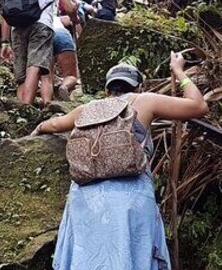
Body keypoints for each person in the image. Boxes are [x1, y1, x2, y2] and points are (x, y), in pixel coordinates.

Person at [32, 52, 209, 269]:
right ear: (138, 87)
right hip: (130, 199)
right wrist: (179, 71)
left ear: (107, 90)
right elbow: (199, 106)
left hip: (86, 200)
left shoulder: (86, 110)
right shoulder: (145, 101)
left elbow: (54, 125)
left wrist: (38, 128)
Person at [0, 0, 79, 106]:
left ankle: (20, 108)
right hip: (41, 26)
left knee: (22, 71)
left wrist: (4, 42)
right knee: (37, 66)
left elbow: (5, 14)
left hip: (17, 28)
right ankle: (27, 106)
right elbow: (69, 7)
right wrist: (75, 18)